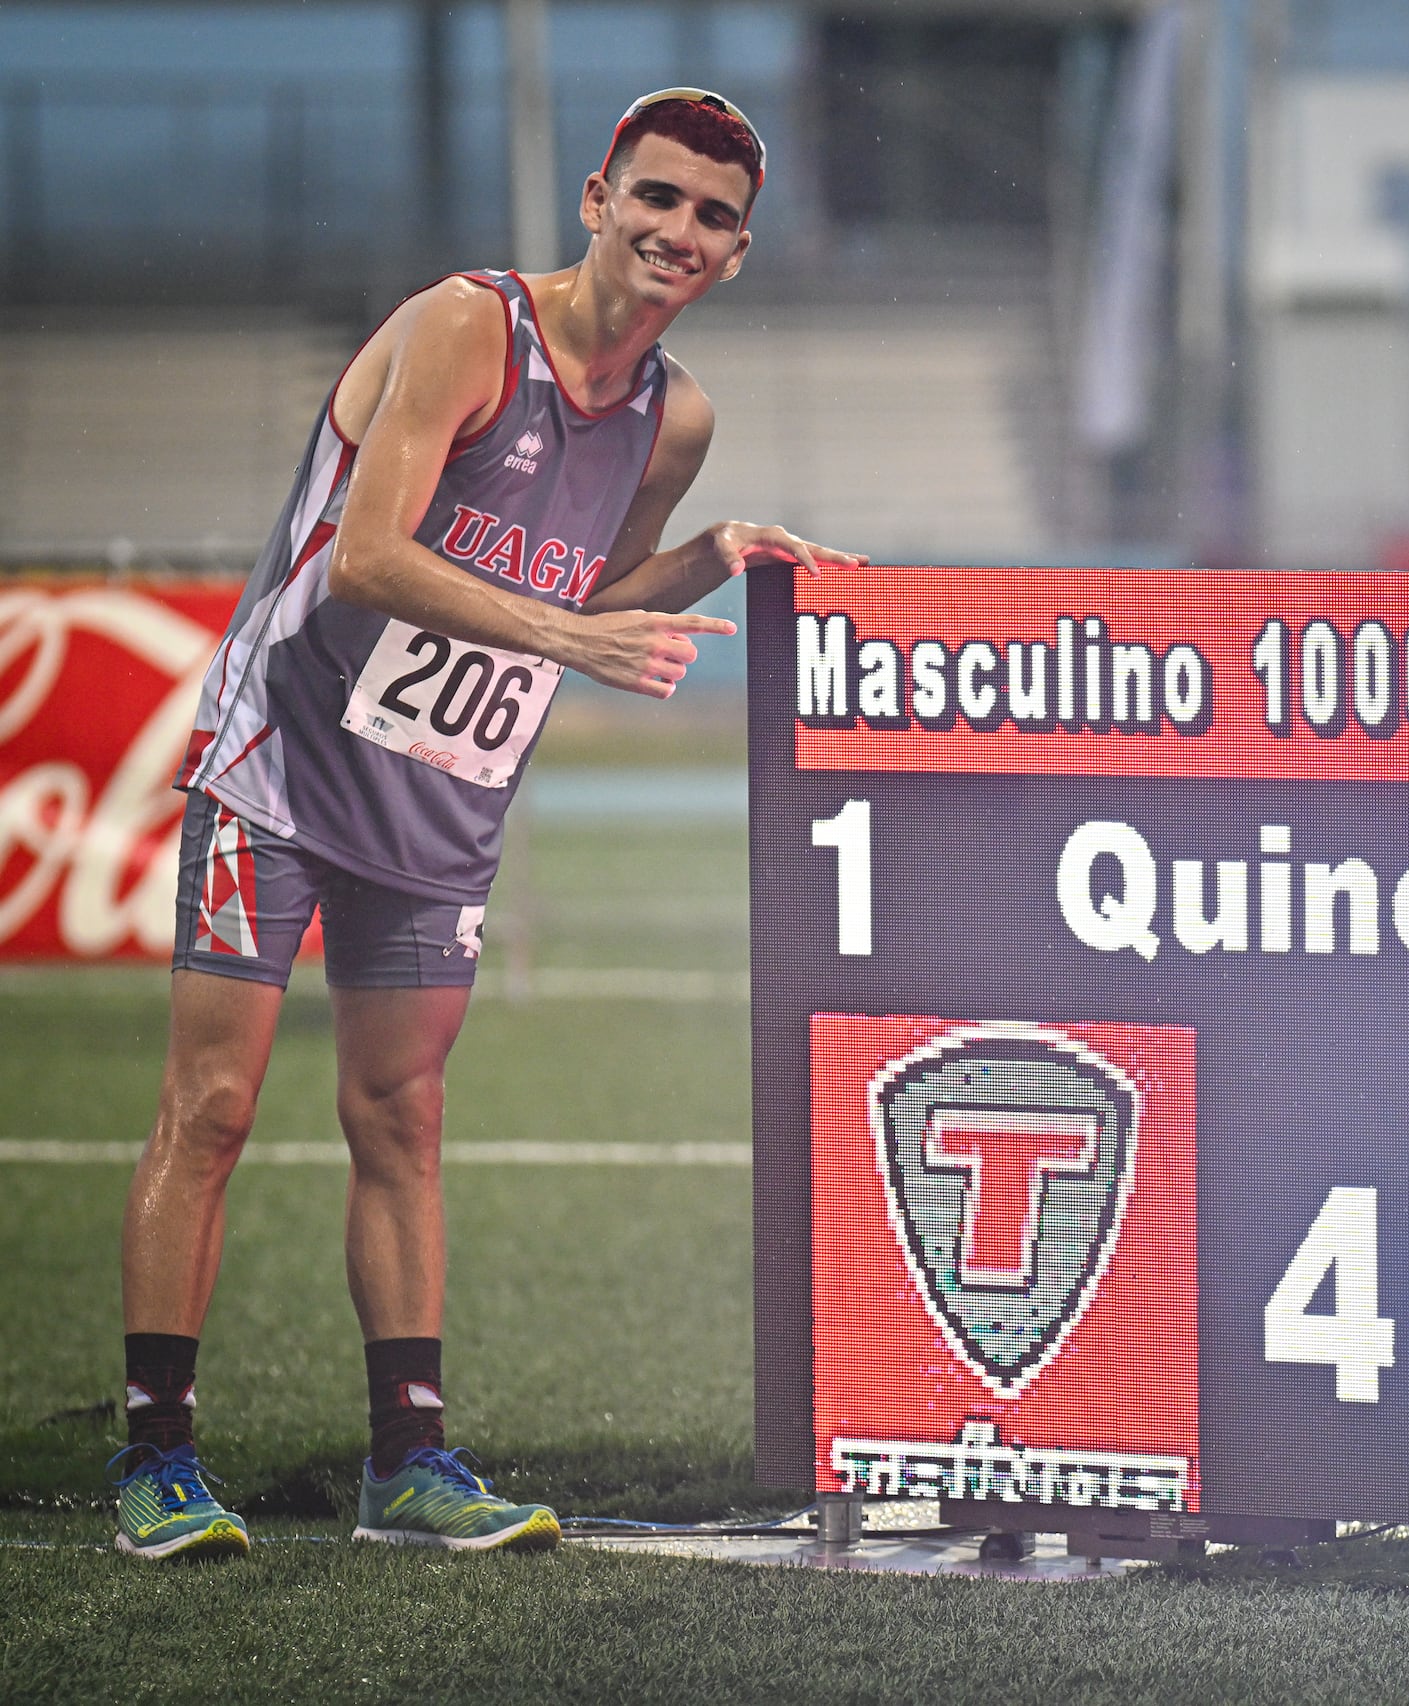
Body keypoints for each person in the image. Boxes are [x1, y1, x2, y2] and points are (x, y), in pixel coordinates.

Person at [111, 89, 864, 1560]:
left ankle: (413, 1459)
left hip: (442, 794)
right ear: (596, 197)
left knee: (405, 1115)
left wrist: (712, 556)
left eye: (714, 216)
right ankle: (156, 1455)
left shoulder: (676, 416)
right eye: (656, 197)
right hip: (284, 758)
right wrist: (568, 642)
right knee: (211, 1105)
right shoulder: (469, 328)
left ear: (741, 248)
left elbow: (596, 599)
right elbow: (372, 560)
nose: (679, 233)